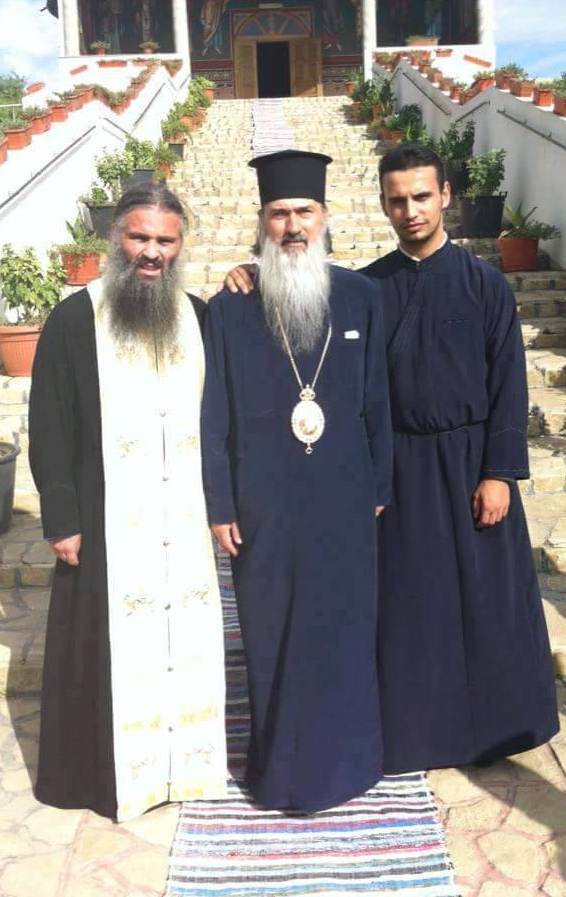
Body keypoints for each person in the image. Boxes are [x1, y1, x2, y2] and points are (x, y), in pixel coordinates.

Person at [221, 144, 559, 775]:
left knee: (486, 603)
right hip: (398, 467)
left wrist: (500, 472)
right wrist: (250, 271)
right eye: (398, 200)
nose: (411, 211)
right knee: (410, 608)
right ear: (382, 205)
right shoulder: (366, 289)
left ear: (446, 196)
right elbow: (305, 318)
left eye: (422, 197)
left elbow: (510, 385)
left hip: (470, 464)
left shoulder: (485, 284)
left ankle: (495, 733)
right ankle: (417, 736)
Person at [29, 183, 228, 822]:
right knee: (103, 653)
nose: (152, 252)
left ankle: (186, 769)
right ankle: (108, 777)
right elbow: (49, 426)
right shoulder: (73, 320)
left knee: (182, 640)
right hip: (104, 521)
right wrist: (62, 517)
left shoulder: (199, 317)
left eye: (165, 240)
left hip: (183, 523)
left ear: (180, 245)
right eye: (140, 237)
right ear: (115, 236)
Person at [201, 150, 393, 813]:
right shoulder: (228, 310)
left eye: (303, 211)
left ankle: (351, 762)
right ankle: (280, 771)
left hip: (346, 497)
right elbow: (214, 414)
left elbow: (378, 402)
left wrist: (379, 488)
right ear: (261, 221)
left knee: (343, 628)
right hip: (264, 504)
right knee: (272, 631)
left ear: (325, 216)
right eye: (278, 213)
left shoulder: (362, 297)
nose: (292, 226)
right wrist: (220, 502)